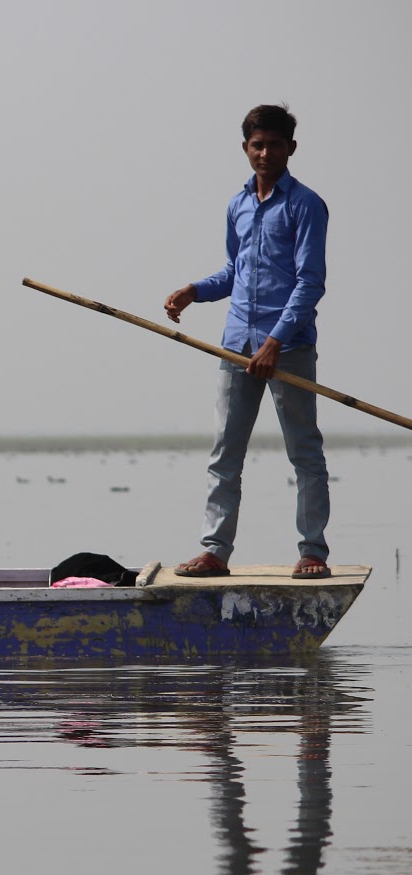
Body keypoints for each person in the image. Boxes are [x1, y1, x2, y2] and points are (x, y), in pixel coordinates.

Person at [164, 104, 331, 581]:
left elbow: (310, 282)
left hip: (288, 347)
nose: (265, 153)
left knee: (304, 451)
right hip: (236, 344)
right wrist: (194, 291)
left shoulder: (305, 205)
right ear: (245, 148)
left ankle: (312, 552)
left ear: (291, 148)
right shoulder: (237, 205)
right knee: (225, 453)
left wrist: (275, 341)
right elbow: (234, 272)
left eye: (275, 145)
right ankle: (214, 551)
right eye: (257, 145)